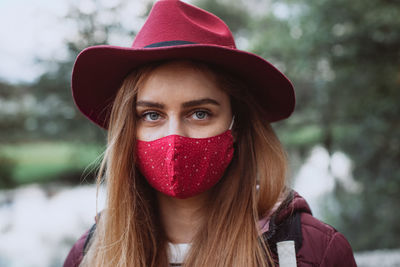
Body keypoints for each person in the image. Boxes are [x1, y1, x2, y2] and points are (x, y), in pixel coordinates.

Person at [64, 0, 357, 266]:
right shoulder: (89, 255)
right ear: (129, 128)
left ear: (238, 125)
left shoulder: (316, 252)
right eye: (152, 115)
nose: (174, 138)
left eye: (200, 113)